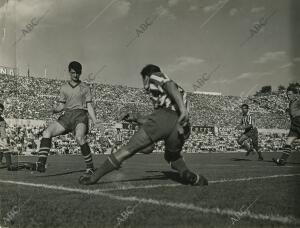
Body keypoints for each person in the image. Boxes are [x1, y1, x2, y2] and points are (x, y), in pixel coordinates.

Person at [79, 64, 208, 186]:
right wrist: (135, 118)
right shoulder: (176, 94)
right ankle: (189, 175)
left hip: (167, 117)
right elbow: (158, 121)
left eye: (143, 80)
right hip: (180, 128)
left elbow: (169, 86)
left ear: (146, 77)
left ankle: (93, 177)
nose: (144, 87)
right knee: (172, 156)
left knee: (127, 150)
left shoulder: (154, 76)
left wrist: (182, 108)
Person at [29, 61, 103, 175]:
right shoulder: (63, 88)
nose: (75, 75)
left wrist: (94, 120)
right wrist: (55, 110)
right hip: (67, 116)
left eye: (78, 73)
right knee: (46, 132)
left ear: (81, 73)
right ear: (69, 72)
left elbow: (89, 105)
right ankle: (41, 164)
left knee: (79, 138)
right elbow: (62, 106)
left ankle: (90, 167)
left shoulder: (85, 87)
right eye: (73, 73)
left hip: (80, 116)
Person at [273, 86, 300, 166]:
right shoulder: (290, 103)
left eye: (290, 94)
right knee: (288, 142)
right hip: (294, 125)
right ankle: (282, 160)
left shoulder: (298, 100)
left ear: (295, 94)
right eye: (288, 94)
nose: (288, 96)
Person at [0, 103, 11, 169]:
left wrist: (4, 140)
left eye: (1, 111)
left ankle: (9, 164)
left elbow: (2, 131)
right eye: (0, 110)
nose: (1, 112)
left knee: (5, 146)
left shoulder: (2, 120)